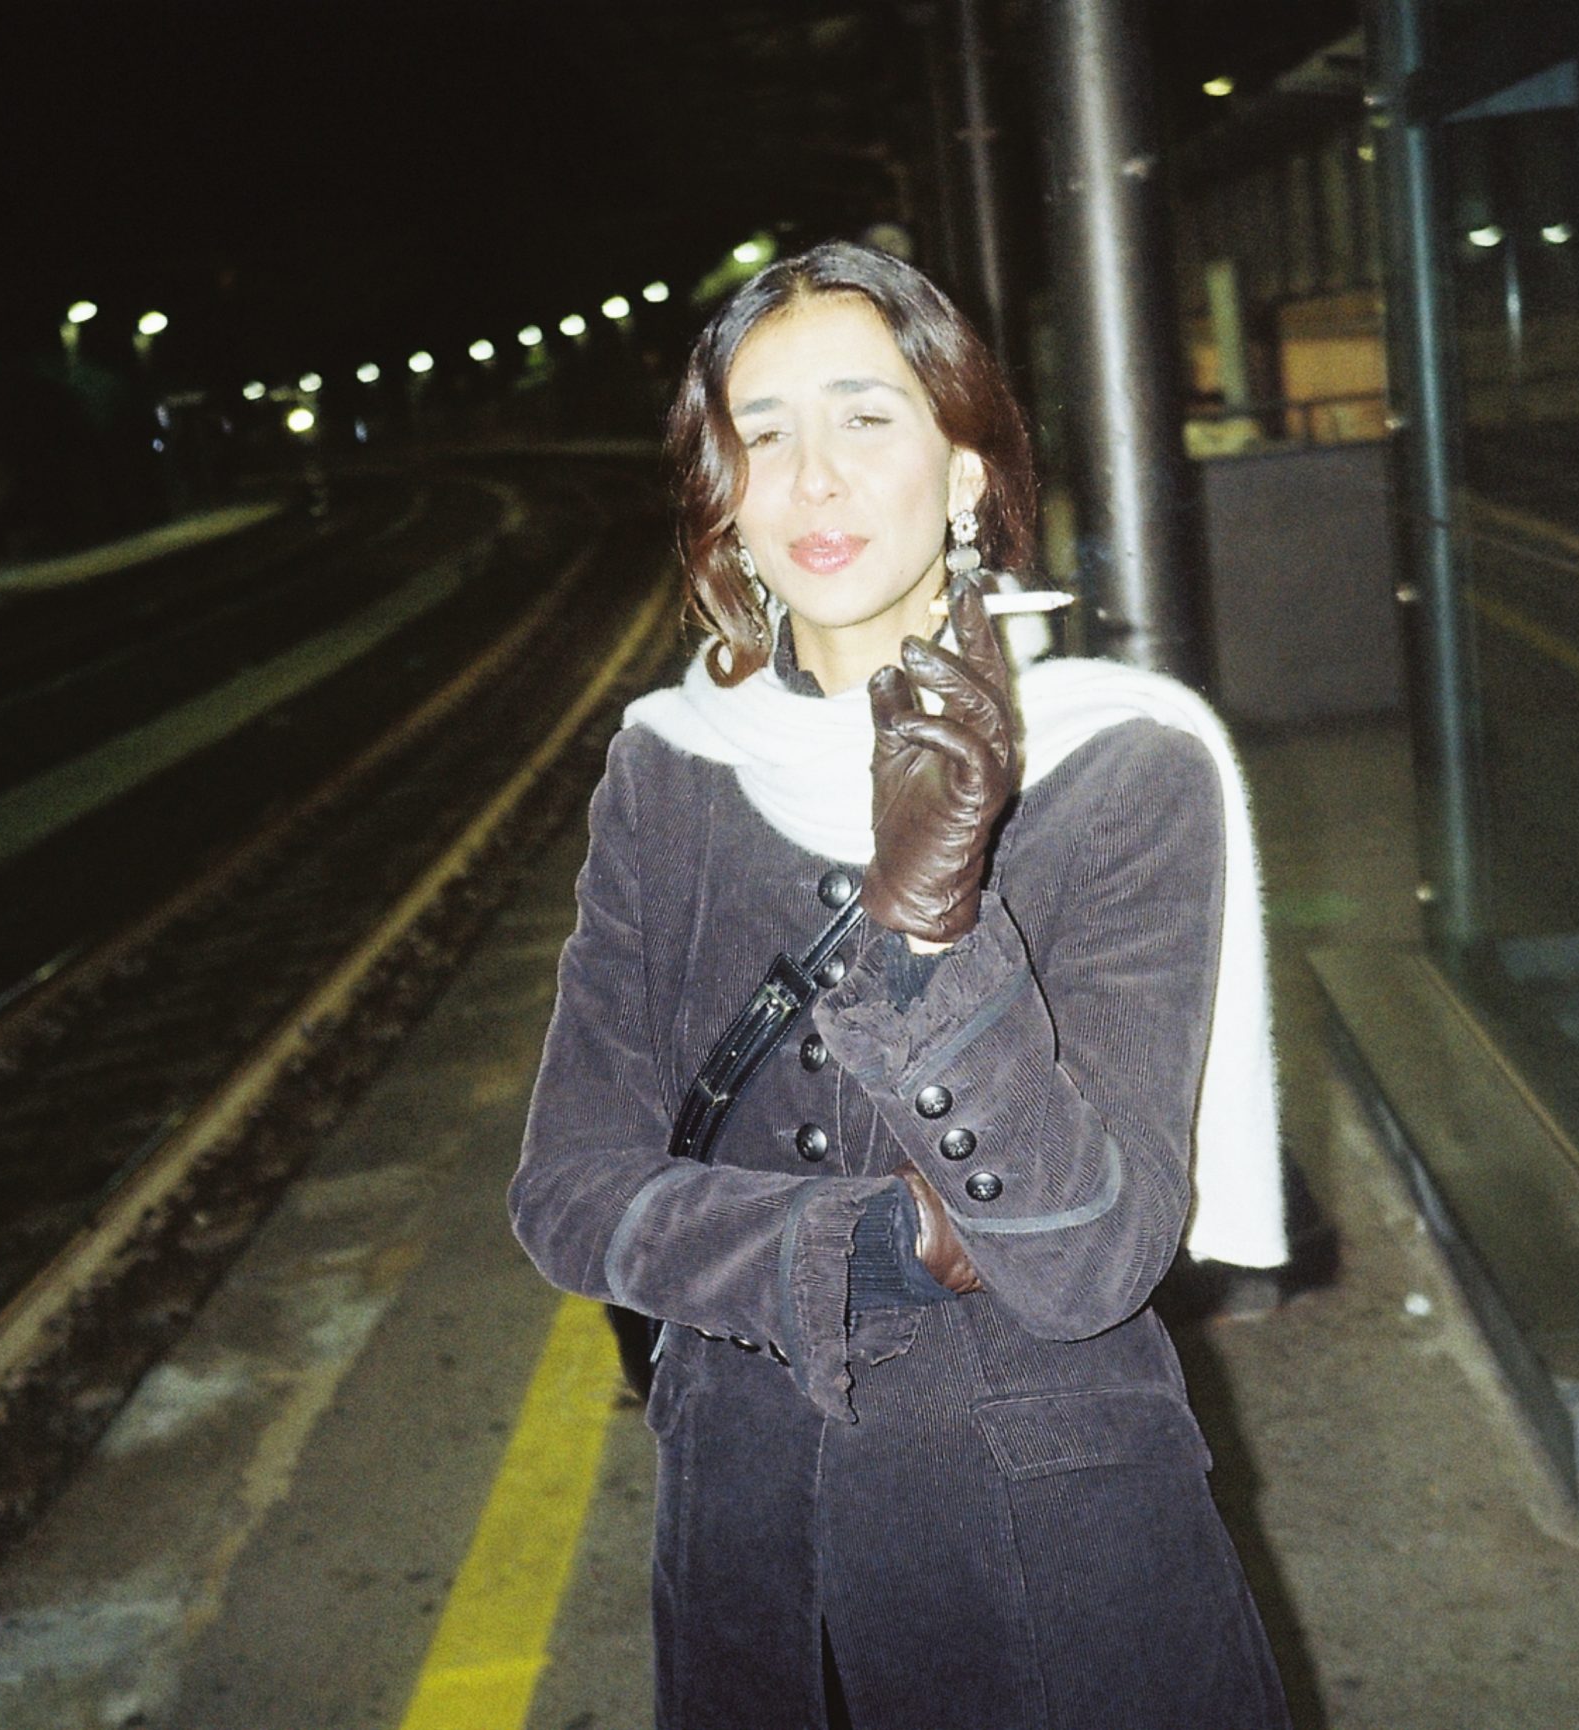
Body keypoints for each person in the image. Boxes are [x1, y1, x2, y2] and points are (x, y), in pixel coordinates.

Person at [510, 240, 1290, 1728]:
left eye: (866, 418)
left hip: (1045, 1539)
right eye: (762, 433)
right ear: (723, 497)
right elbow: (564, 1191)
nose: (814, 477)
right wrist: (864, 1245)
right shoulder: (671, 767)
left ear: (964, 471)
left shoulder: (1120, 764)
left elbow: (1091, 1258)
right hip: (744, 1541)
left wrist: (933, 929)